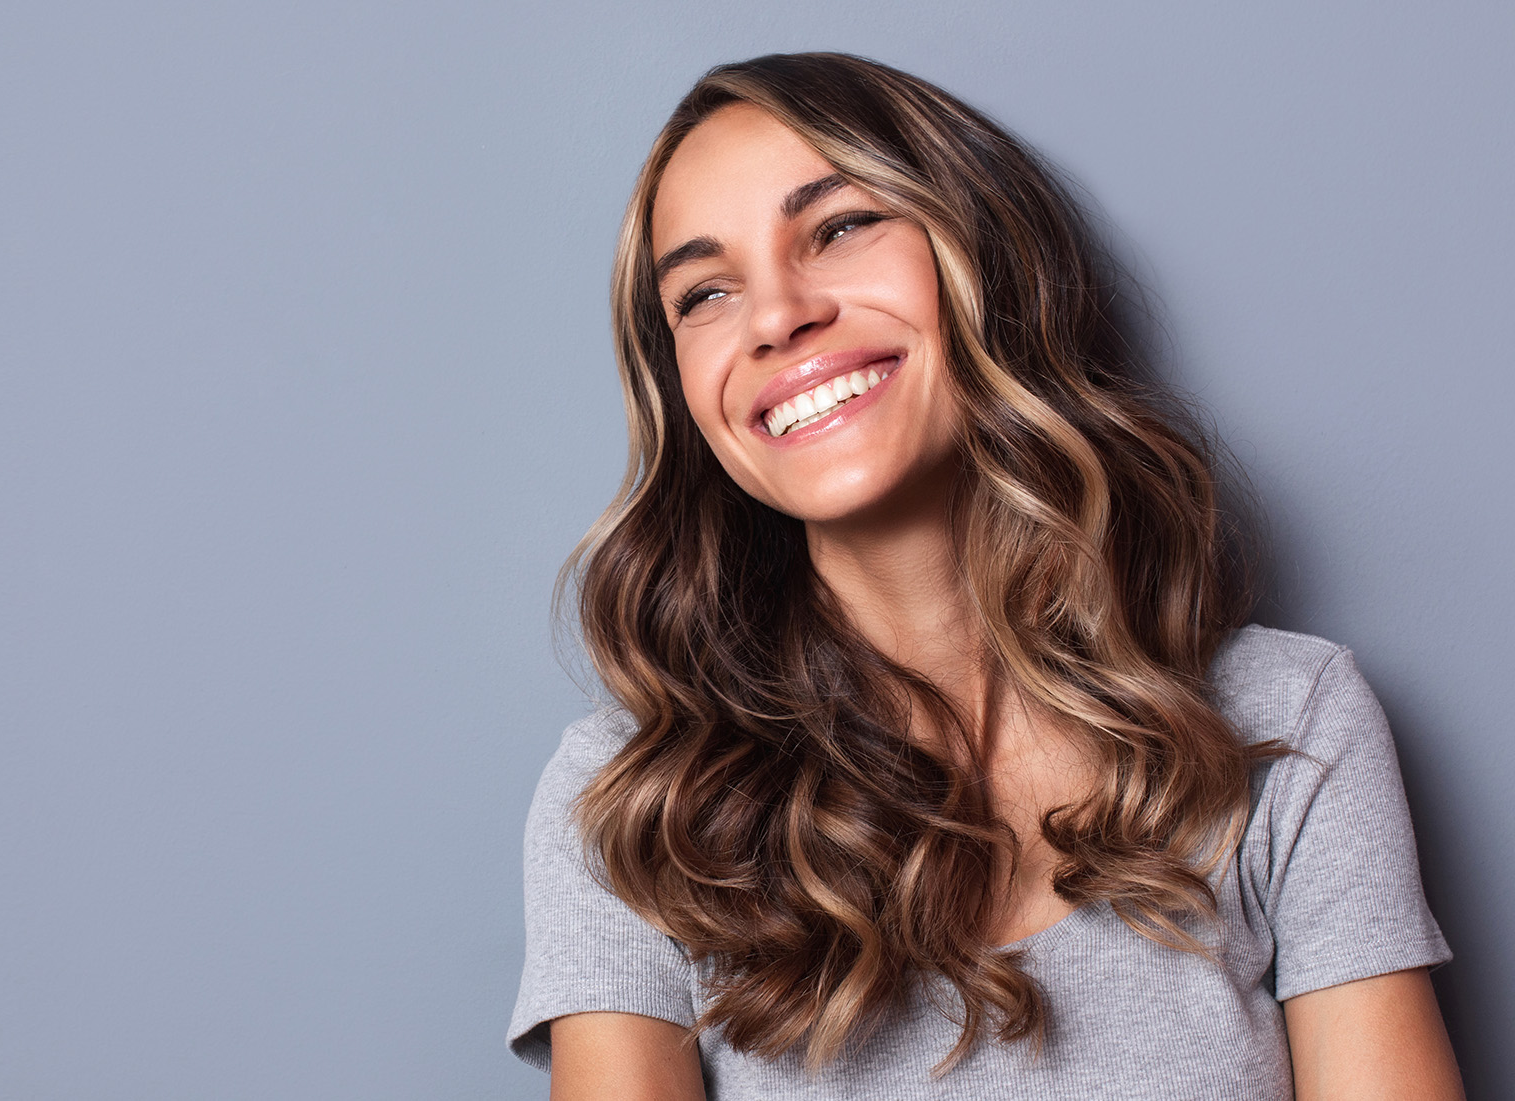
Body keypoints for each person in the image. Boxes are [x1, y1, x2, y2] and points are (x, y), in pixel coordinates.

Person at [508, 53, 1462, 1099]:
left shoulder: (1287, 727)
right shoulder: (631, 808)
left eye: (836, 227)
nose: (774, 317)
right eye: (704, 292)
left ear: (983, 255)